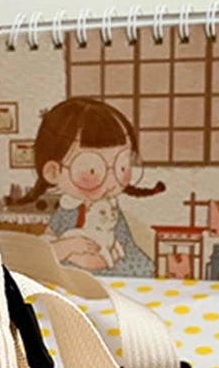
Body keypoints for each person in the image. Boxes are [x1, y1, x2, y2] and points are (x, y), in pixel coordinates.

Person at [13, 97, 164, 276]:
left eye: (122, 167)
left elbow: (131, 256)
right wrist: (67, 248)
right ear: (53, 172)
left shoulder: (111, 210)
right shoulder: (66, 211)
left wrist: (105, 260)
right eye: (92, 170)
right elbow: (46, 252)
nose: (110, 182)